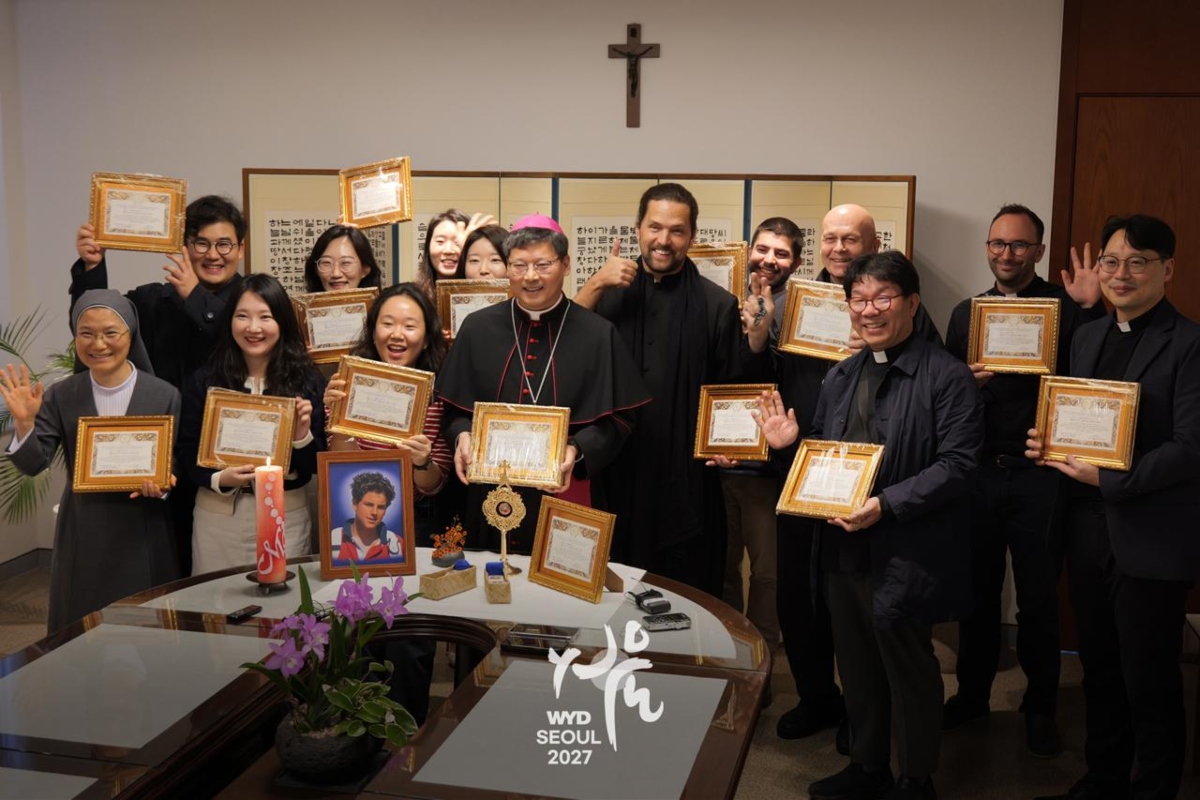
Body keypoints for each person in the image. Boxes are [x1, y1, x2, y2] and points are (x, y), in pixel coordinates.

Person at [760, 250, 983, 800]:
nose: (870, 310)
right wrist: (792, 450)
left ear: (912, 302)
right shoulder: (840, 375)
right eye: (859, 300)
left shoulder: (948, 376)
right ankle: (867, 765)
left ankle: (915, 775)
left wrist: (886, 505)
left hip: (906, 545)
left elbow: (959, 465)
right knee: (854, 661)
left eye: (883, 298)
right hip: (841, 543)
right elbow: (827, 460)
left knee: (909, 666)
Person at [1027, 215, 1200, 800]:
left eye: (1137, 261)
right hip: (1085, 526)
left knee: (1148, 675)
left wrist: (1109, 480)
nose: (1120, 274)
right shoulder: (1089, 335)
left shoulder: (1192, 343)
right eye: (1110, 261)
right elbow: (1078, 420)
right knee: (1098, 664)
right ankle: (1103, 776)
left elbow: (1191, 447)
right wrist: (1048, 442)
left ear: (1167, 269)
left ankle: (1154, 788)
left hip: (1149, 532)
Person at [772, 203, 943, 744]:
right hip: (815, 486)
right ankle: (826, 706)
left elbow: (943, 427)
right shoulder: (799, 302)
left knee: (881, 626)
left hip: (888, 503)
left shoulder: (912, 326)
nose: (839, 248)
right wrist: (784, 448)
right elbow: (785, 395)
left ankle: (885, 739)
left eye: (852, 238)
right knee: (808, 601)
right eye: (830, 238)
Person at [942, 204, 1104, 757]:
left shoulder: (1068, 310)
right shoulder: (968, 314)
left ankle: (1041, 707)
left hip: (1041, 477)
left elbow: (1100, 378)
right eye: (996, 244)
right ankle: (971, 695)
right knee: (978, 596)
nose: (1004, 254)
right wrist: (961, 381)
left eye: (1017, 245)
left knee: (1037, 600)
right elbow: (944, 396)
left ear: (1038, 250)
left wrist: (1092, 307)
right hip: (979, 476)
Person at [574, 183, 772, 595]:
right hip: (618, 470)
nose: (664, 240)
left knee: (687, 594)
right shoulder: (609, 294)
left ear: (692, 236)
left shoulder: (715, 304)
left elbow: (733, 384)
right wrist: (594, 285)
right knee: (614, 589)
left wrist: (755, 340)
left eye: (677, 230)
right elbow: (565, 350)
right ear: (638, 229)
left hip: (687, 478)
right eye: (655, 227)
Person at [437, 215, 650, 553]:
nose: (531, 276)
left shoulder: (598, 334)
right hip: (491, 493)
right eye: (519, 265)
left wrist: (577, 449)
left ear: (565, 264)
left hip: (568, 489)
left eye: (542, 264)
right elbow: (453, 410)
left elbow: (620, 419)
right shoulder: (477, 329)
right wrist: (461, 435)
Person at [71, 194, 246, 578]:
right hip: (158, 457)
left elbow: (242, 349)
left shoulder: (251, 302)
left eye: (224, 244)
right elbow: (104, 318)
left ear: (240, 248)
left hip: (227, 456)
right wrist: (92, 266)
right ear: (184, 247)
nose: (212, 254)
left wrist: (197, 300)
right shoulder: (152, 298)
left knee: (226, 572)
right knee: (162, 561)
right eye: (201, 243)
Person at [1, 290, 180, 634]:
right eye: (87, 333)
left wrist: (165, 484)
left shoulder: (163, 394)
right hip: (84, 531)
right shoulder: (61, 394)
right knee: (80, 638)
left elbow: (172, 469)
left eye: (111, 333)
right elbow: (34, 463)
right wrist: (25, 424)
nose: (99, 343)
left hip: (143, 531)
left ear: (131, 333)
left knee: (149, 639)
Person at [177, 273, 326, 575]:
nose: (253, 328)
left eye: (265, 317)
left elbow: (317, 464)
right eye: (242, 316)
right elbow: (186, 451)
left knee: (285, 608)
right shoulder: (205, 382)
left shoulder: (307, 382)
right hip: (218, 519)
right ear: (229, 321)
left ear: (282, 322)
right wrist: (221, 478)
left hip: (285, 514)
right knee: (216, 605)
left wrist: (300, 436)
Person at [714, 218, 802, 662]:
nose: (769, 260)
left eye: (781, 253)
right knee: (722, 567)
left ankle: (762, 664)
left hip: (767, 466)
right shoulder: (722, 300)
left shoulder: (803, 309)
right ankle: (730, 658)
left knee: (767, 574)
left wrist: (761, 328)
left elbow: (785, 380)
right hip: (718, 459)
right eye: (763, 249)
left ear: (797, 263)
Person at [324, 283, 453, 543]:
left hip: (418, 519)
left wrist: (422, 461)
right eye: (388, 324)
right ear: (373, 333)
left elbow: (433, 486)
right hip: (354, 511)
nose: (397, 334)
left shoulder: (441, 394)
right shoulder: (348, 385)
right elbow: (340, 464)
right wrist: (339, 419)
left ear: (427, 339)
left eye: (409, 326)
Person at [419, 210, 498, 296]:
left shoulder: (489, 293)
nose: (448, 250)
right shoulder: (416, 295)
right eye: (440, 241)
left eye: (457, 242)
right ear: (428, 245)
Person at [333, 471, 404, 563]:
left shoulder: (397, 544)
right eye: (369, 505)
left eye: (381, 507)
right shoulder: (333, 541)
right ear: (355, 503)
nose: (374, 512)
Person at [302, 224, 383, 293]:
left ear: (365, 269)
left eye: (346, 263)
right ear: (316, 269)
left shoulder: (381, 310)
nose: (336, 274)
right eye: (326, 263)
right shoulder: (302, 310)